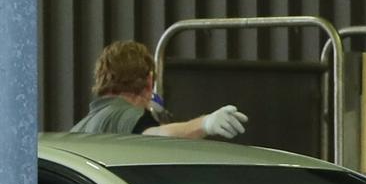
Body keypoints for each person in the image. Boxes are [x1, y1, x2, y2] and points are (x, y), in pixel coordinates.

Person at [71, 40, 248, 138]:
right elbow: (157, 139)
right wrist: (206, 123)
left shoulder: (77, 129)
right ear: (149, 82)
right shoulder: (127, 117)